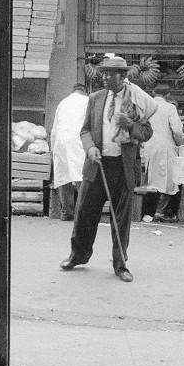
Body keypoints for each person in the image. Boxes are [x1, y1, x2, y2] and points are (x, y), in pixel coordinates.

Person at [60, 56, 158, 282]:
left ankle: (120, 265)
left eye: (109, 74)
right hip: (97, 165)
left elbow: (147, 132)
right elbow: (84, 130)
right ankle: (77, 256)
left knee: (121, 220)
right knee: (84, 212)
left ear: (122, 77)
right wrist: (90, 148)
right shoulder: (95, 99)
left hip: (123, 168)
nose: (104, 77)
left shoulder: (136, 100)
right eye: (103, 73)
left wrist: (131, 126)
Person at [141, 83, 184, 223]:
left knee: (151, 179)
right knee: (166, 181)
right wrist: (178, 142)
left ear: (154, 92)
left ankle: (148, 212)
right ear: (168, 95)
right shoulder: (169, 107)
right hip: (164, 146)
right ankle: (160, 211)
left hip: (148, 145)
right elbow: (177, 130)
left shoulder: (147, 107)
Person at [50, 84, 89, 220]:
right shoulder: (86, 101)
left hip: (60, 139)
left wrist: (53, 148)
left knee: (63, 175)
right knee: (80, 173)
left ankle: (66, 212)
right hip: (77, 138)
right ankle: (82, 212)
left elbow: (54, 128)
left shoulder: (63, 102)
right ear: (85, 92)